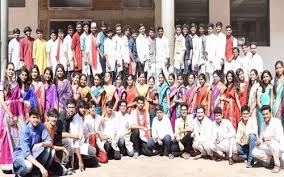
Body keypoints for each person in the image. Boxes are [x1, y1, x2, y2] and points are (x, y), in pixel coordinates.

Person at [13, 108, 54, 177]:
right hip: (21, 156)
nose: (36, 120)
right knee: (29, 166)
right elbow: (27, 154)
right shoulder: (25, 130)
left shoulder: (41, 126)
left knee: (50, 150)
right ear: (29, 118)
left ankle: (36, 173)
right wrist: (41, 167)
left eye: (37, 117)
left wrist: (42, 144)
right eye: (33, 117)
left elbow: (50, 142)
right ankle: (19, 174)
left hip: (33, 154)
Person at [0, 63, 24, 172]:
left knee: (16, 138)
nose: (11, 71)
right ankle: (6, 164)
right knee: (6, 138)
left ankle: (15, 162)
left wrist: (19, 102)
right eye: (9, 69)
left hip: (16, 114)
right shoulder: (2, 84)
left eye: (12, 70)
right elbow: (2, 101)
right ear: (6, 71)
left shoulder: (16, 85)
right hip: (6, 114)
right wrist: (9, 113)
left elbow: (19, 99)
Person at [252, 105, 284, 173]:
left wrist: (264, 139)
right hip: (268, 149)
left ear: (270, 113)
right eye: (263, 114)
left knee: (272, 143)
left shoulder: (276, 121)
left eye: (267, 114)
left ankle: (277, 165)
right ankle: (271, 161)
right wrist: (258, 142)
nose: (265, 116)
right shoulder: (263, 124)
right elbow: (261, 138)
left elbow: (277, 137)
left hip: (278, 147)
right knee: (254, 151)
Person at [69, 100, 99, 169]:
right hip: (75, 146)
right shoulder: (76, 119)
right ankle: (77, 160)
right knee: (93, 151)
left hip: (81, 144)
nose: (83, 110)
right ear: (78, 108)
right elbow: (75, 141)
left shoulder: (82, 118)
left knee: (95, 161)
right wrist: (80, 161)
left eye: (85, 108)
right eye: (81, 108)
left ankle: (78, 161)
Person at [44, 109, 71, 176]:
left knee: (66, 141)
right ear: (48, 117)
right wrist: (62, 148)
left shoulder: (53, 127)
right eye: (52, 116)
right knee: (52, 152)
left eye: (56, 117)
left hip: (50, 148)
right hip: (43, 151)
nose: (54, 119)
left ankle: (63, 165)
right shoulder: (45, 127)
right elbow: (48, 146)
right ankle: (47, 169)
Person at [271, 60, 284, 125]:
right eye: (277, 68)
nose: (278, 70)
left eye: (280, 67)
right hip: (276, 107)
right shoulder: (273, 82)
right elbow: (272, 96)